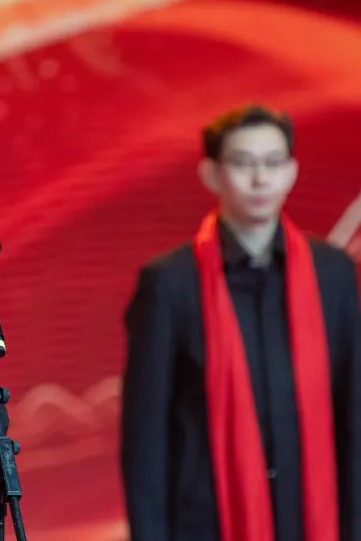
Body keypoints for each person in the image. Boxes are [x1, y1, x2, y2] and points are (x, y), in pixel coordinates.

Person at [121, 104, 361, 541]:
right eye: (243, 163)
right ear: (211, 174)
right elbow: (145, 439)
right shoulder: (169, 284)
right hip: (204, 522)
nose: (260, 178)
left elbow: (353, 413)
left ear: (292, 171)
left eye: (273, 162)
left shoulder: (334, 274)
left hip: (312, 518)